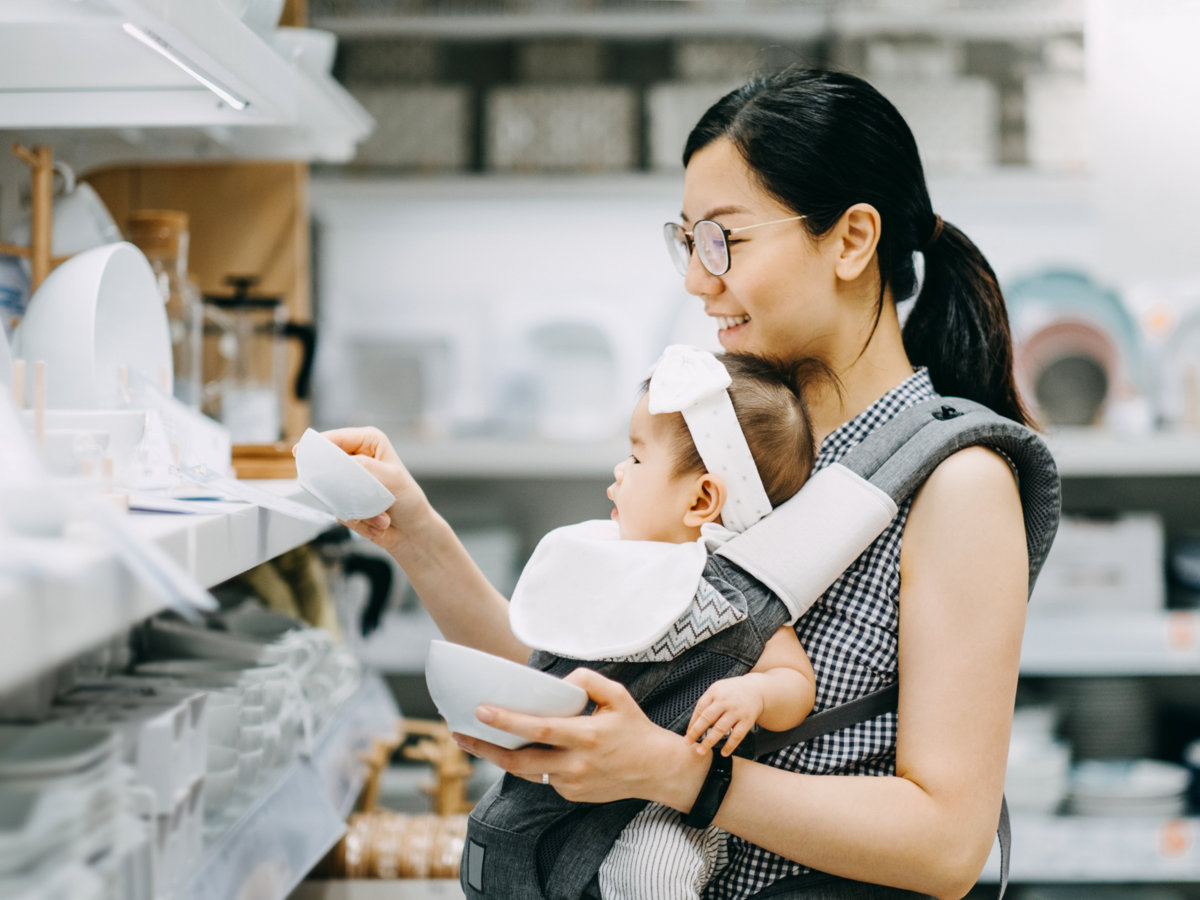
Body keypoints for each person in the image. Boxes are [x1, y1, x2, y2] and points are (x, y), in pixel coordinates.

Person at [325, 66, 1043, 900]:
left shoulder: (959, 484)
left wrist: (681, 776)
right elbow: (572, 687)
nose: (699, 280)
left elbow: (948, 846)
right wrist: (412, 529)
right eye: (688, 240)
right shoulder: (729, 444)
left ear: (851, 239)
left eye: (724, 240)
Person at [504, 345, 820, 900]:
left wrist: (756, 693)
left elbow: (796, 681)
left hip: (670, 809)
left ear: (702, 499)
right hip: (578, 787)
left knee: (646, 872)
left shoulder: (736, 588)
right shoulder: (609, 561)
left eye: (638, 459)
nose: (620, 472)